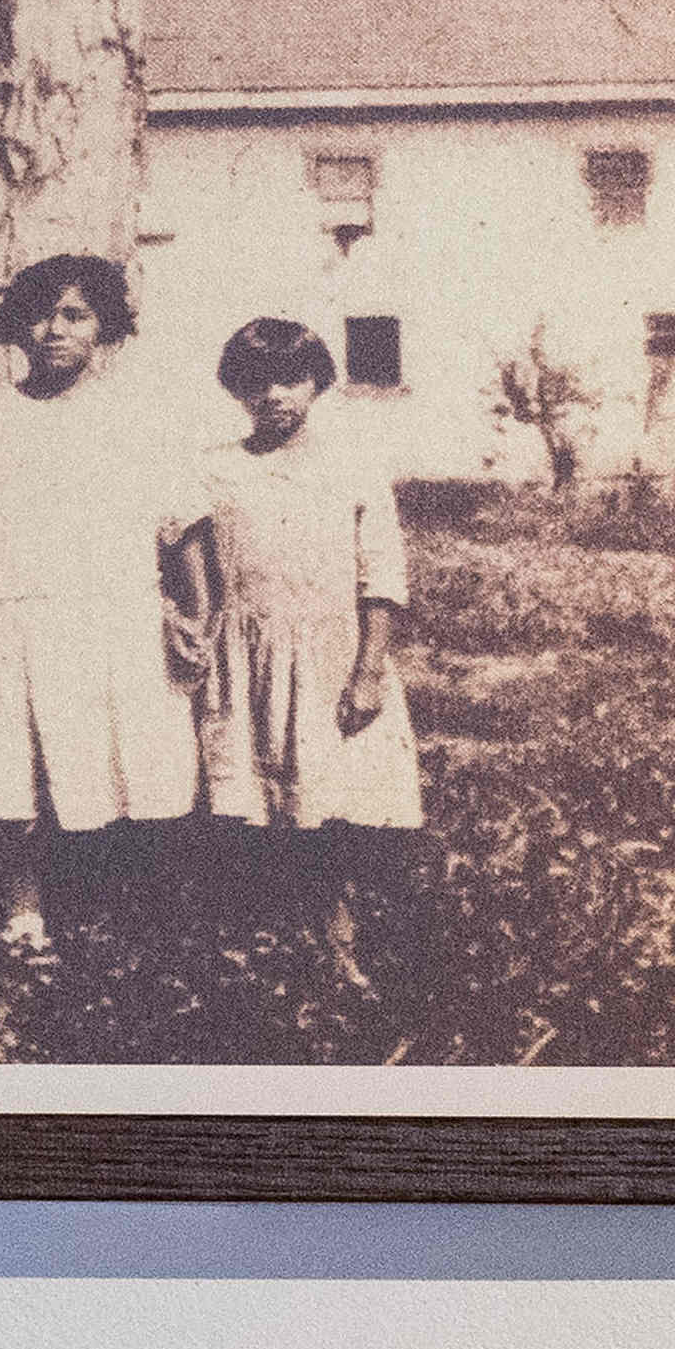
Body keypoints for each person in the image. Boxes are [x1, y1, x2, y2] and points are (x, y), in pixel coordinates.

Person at [0, 253, 200, 961]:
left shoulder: (140, 416)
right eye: (41, 315)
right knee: (18, 771)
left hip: (114, 613)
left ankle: (118, 911)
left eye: (75, 315)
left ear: (104, 324)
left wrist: (191, 612)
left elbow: (183, 524)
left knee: (120, 762)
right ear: (18, 325)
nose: (54, 330)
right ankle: (24, 908)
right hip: (12, 612)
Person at [171, 316, 424, 984]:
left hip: (329, 657)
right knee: (249, 803)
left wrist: (368, 670)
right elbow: (185, 558)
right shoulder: (215, 470)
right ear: (234, 390)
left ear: (317, 382)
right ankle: (252, 945)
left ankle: (337, 942)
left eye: (289, 379)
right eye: (255, 383)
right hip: (244, 656)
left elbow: (382, 575)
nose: (273, 395)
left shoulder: (353, 468)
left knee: (328, 808)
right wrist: (188, 619)